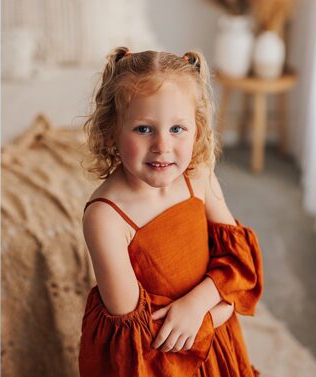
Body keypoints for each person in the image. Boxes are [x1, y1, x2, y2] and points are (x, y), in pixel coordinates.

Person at [79, 47, 263, 376]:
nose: (162, 146)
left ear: (198, 129)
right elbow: (140, 336)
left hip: (216, 343)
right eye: (143, 129)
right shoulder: (105, 217)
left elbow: (240, 263)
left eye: (177, 129)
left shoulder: (198, 175)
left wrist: (198, 305)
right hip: (163, 363)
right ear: (110, 132)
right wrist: (217, 305)